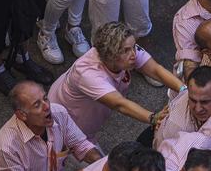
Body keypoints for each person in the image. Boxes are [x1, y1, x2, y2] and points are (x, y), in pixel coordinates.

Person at [0, 80, 102, 171]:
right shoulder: (6, 148)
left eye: (45, 98)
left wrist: (104, 164)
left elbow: (81, 145)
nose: (47, 107)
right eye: (37, 105)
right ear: (22, 115)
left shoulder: (59, 113)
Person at [49, 21, 181, 137]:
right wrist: (153, 118)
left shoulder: (125, 52)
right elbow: (119, 104)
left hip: (87, 119)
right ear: (109, 55)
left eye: (134, 47)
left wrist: (185, 89)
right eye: (126, 51)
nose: (134, 54)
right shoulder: (87, 74)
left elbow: (155, 70)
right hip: (62, 125)